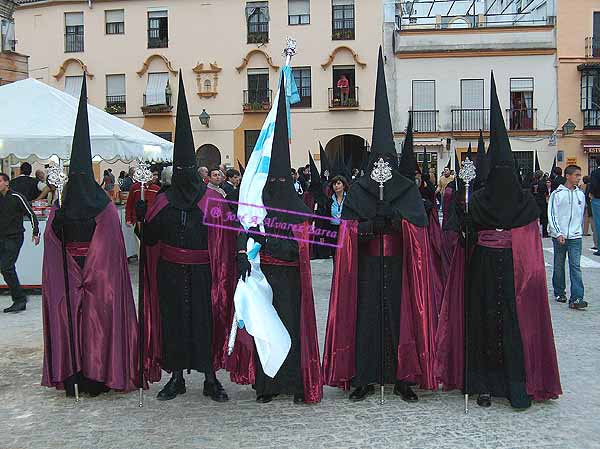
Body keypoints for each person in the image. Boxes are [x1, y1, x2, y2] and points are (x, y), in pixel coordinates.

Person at [435, 73, 561, 410]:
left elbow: (531, 242)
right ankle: (486, 384)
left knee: (513, 325)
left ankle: (516, 383)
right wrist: (463, 226)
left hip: (510, 272)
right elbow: (466, 236)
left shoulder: (521, 202)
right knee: (485, 323)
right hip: (485, 270)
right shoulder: (484, 200)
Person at [323, 48, 436, 403]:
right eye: (379, 160)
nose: (383, 166)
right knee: (366, 321)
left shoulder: (406, 189)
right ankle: (364, 377)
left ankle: (403, 378)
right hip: (368, 268)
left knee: (400, 322)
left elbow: (420, 227)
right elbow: (347, 230)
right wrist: (369, 227)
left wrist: (400, 223)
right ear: (372, 160)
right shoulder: (358, 190)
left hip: (400, 268)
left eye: (388, 160)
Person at [42, 77, 139, 397]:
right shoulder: (63, 208)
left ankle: (98, 375)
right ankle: (74, 374)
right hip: (71, 278)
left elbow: (111, 252)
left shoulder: (101, 210)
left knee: (97, 325)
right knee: (69, 320)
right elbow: (53, 248)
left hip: (99, 281)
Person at [142, 74, 235, 402]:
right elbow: (150, 239)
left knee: (204, 322)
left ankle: (210, 377)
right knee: (174, 324)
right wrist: (143, 216)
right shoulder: (163, 201)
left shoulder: (212, 200)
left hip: (203, 274)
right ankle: (177, 377)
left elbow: (228, 235)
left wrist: (236, 261)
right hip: (170, 274)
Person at [230, 74, 322, 404]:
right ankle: (267, 385)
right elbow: (243, 226)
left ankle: (296, 384)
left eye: (283, 181)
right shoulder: (259, 202)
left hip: (290, 279)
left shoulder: (299, 210)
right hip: (264, 276)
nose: (277, 186)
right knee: (265, 330)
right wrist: (243, 250)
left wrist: (266, 241)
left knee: (292, 329)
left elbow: (298, 248)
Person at [0, 172, 40, 313]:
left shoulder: (17, 197)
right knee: (6, 268)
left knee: (6, 267)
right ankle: (19, 298)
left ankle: (20, 300)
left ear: (6, 182)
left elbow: (31, 213)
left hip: (14, 237)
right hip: (1, 237)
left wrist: (36, 232)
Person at [548, 165, 587, 308]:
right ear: (568, 176)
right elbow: (552, 214)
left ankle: (577, 297)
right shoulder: (557, 194)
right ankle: (559, 291)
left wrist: (579, 230)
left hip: (575, 236)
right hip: (560, 235)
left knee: (575, 266)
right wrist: (558, 232)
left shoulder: (580, 194)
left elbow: (581, 213)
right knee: (559, 265)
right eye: (576, 175)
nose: (579, 178)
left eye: (579, 175)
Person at [590, 166, 600, 255]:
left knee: (598, 223)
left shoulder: (595, 172)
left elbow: (593, 185)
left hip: (597, 199)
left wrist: (592, 193)